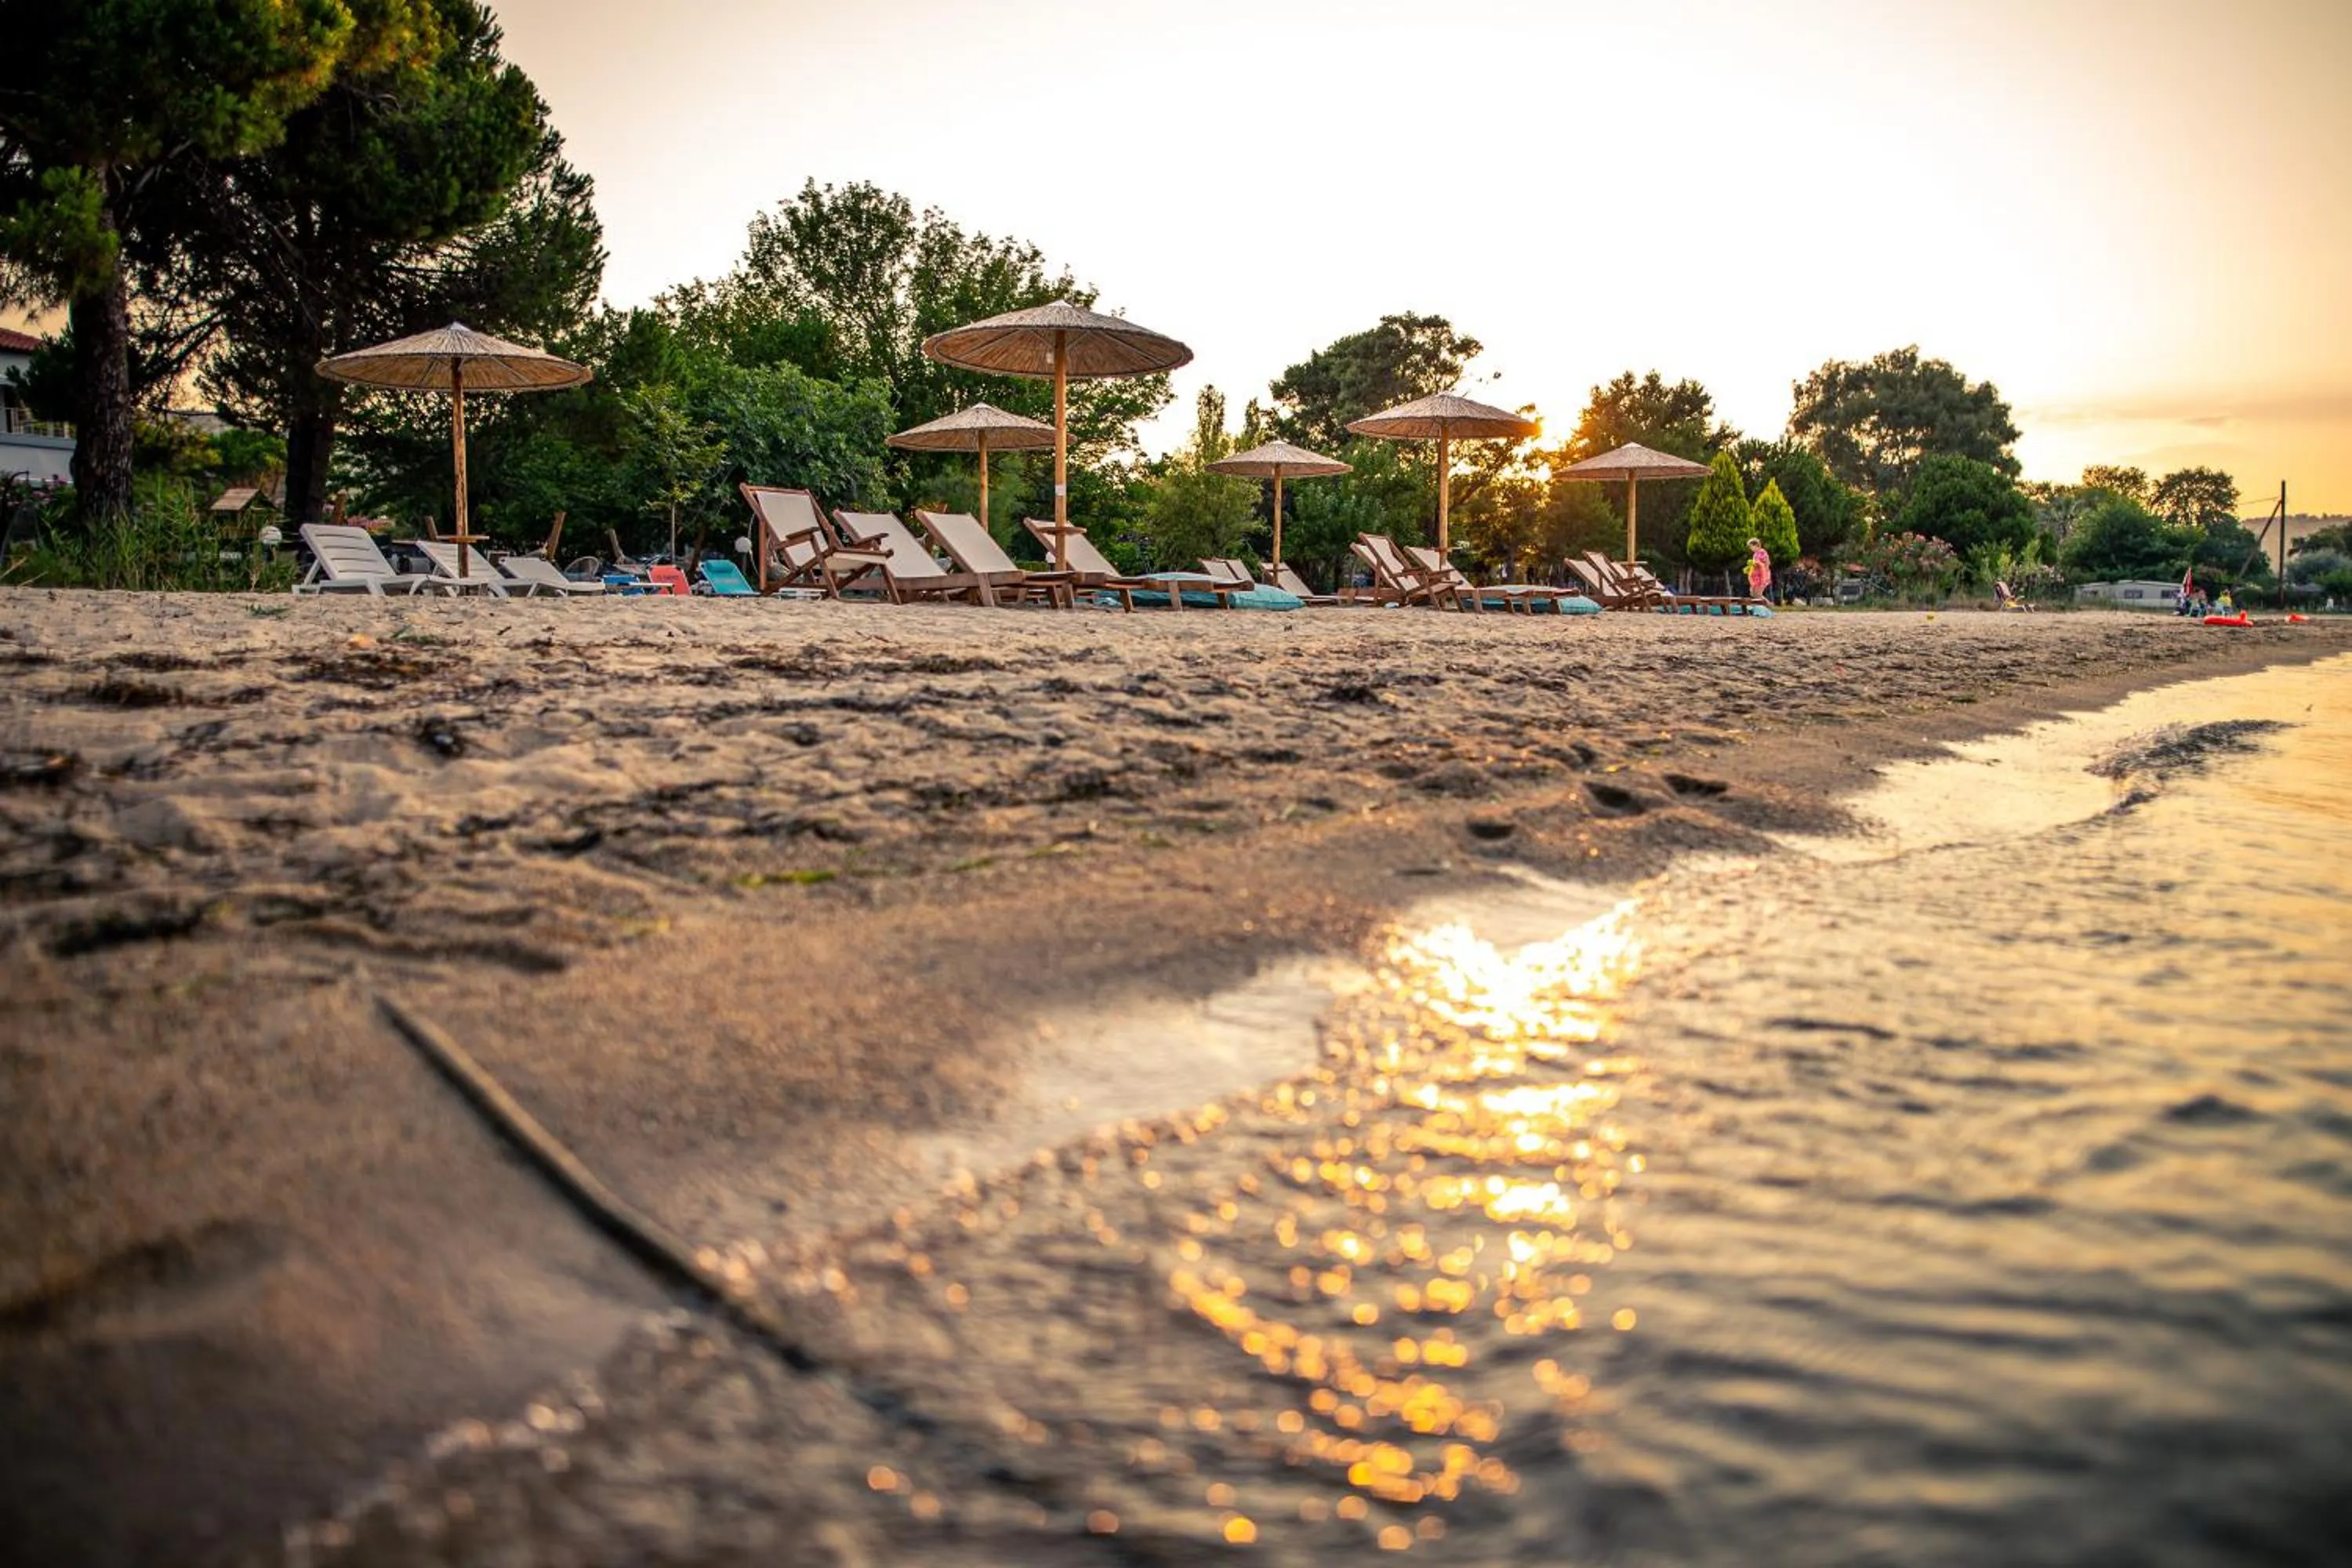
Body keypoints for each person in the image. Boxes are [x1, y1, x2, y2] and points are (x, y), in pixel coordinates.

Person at [1744, 537, 1773, 602]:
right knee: (1753, 593)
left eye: (1751, 546)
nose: (1750, 548)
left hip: (1762, 576)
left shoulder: (1762, 552)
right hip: (1756, 576)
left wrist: (1761, 568)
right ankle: (1764, 605)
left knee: (1758, 594)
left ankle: (1767, 606)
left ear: (1756, 545)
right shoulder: (1755, 554)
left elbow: (1767, 563)